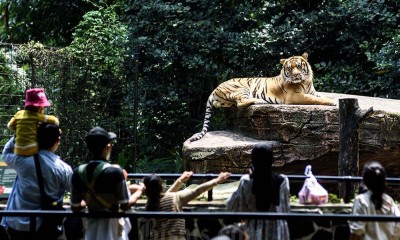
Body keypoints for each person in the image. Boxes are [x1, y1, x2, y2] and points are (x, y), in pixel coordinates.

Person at [70, 126, 144, 240]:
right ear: (108, 147)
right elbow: (124, 205)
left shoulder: (77, 172)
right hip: (113, 228)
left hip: (91, 226)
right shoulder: (115, 172)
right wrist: (139, 191)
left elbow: (75, 207)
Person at [1, 123, 72, 240]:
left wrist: (21, 132)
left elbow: (7, 153)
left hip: (18, 227)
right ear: (58, 140)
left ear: (36, 138)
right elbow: (75, 194)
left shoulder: (22, 161)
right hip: (47, 227)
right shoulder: (63, 169)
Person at [226, 142, 290, 240]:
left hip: (253, 230)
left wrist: (252, 175)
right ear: (271, 160)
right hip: (277, 231)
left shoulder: (246, 181)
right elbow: (285, 209)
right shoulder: (283, 181)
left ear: (253, 160)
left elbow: (233, 206)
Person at [142, 171, 231, 239]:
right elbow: (197, 190)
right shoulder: (175, 198)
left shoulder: (149, 204)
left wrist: (180, 181)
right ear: (161, 187)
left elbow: (165, 197)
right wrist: (217, 180)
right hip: (176, 237)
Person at [348, 161, 400, 240]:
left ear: (365, 181)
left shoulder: (361, 200)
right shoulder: (389, 201)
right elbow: (397, 229)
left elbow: (357, 232)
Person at [7, 88, 59, 156]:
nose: (42, 110)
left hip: (17, 150)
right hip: (32, 150)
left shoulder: (19, 113)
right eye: (42, 108)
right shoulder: (36, 115)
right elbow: (55, 121)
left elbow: (9, 126)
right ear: (39, 108)